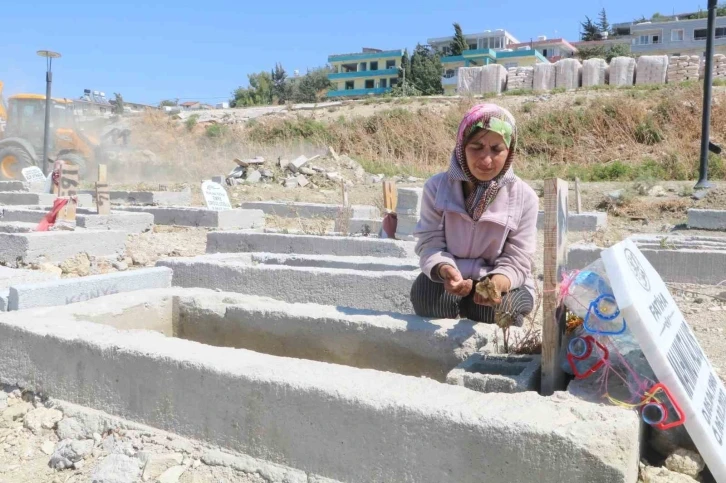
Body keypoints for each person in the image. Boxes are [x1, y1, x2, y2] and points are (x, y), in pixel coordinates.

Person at [410, 103, 538, 327]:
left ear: (510, 151)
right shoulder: (436, 187)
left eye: (496, 149)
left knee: (500, 311)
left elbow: (518, 259)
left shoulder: (524, 197)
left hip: (498, 278)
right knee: (426, 296)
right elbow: (430, 242)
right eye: (476, 147)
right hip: (453, 277)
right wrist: (445, 270)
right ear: (462, 146)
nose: (486, 160)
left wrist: (495, 283)